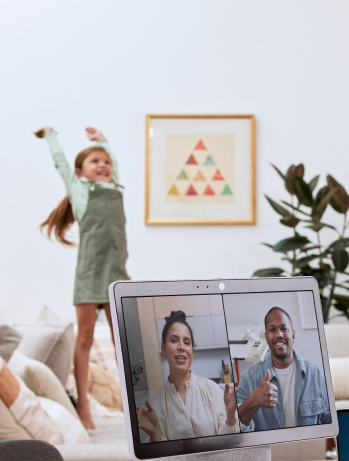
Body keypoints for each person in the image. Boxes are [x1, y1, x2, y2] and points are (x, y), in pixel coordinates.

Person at [36, 125, 129, 430]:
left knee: (126, 342)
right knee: (85, 338)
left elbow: (110, 157)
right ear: (81, 172)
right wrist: (50, 136)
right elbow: (62, 164)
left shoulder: (115, 189)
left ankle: (135, 405)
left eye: (106, 162)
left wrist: (102, 140)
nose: (103, 165)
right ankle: (84, 407)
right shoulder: (80, 191)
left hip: (117, 275)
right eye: (95, 162)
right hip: (89, 274)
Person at [136, 310, 238, 443]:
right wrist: (154, 432)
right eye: (174, 340)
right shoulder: (155, 406)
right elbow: (163, 457)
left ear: (192, 351)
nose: (181, 347)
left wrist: (230, 414)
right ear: (163, 348)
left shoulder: (212, 389)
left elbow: (228, 441)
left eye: (187, 342)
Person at [236, 306, 330, 430]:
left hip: (308, 448)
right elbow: (235, 427)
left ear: (293, 335)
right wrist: (254, 400)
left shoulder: (317, 375)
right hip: (271, 449)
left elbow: (329, 422)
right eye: (272, 330)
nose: (279, 335)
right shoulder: (248, 378)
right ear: (267, 337)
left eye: (284, 329)